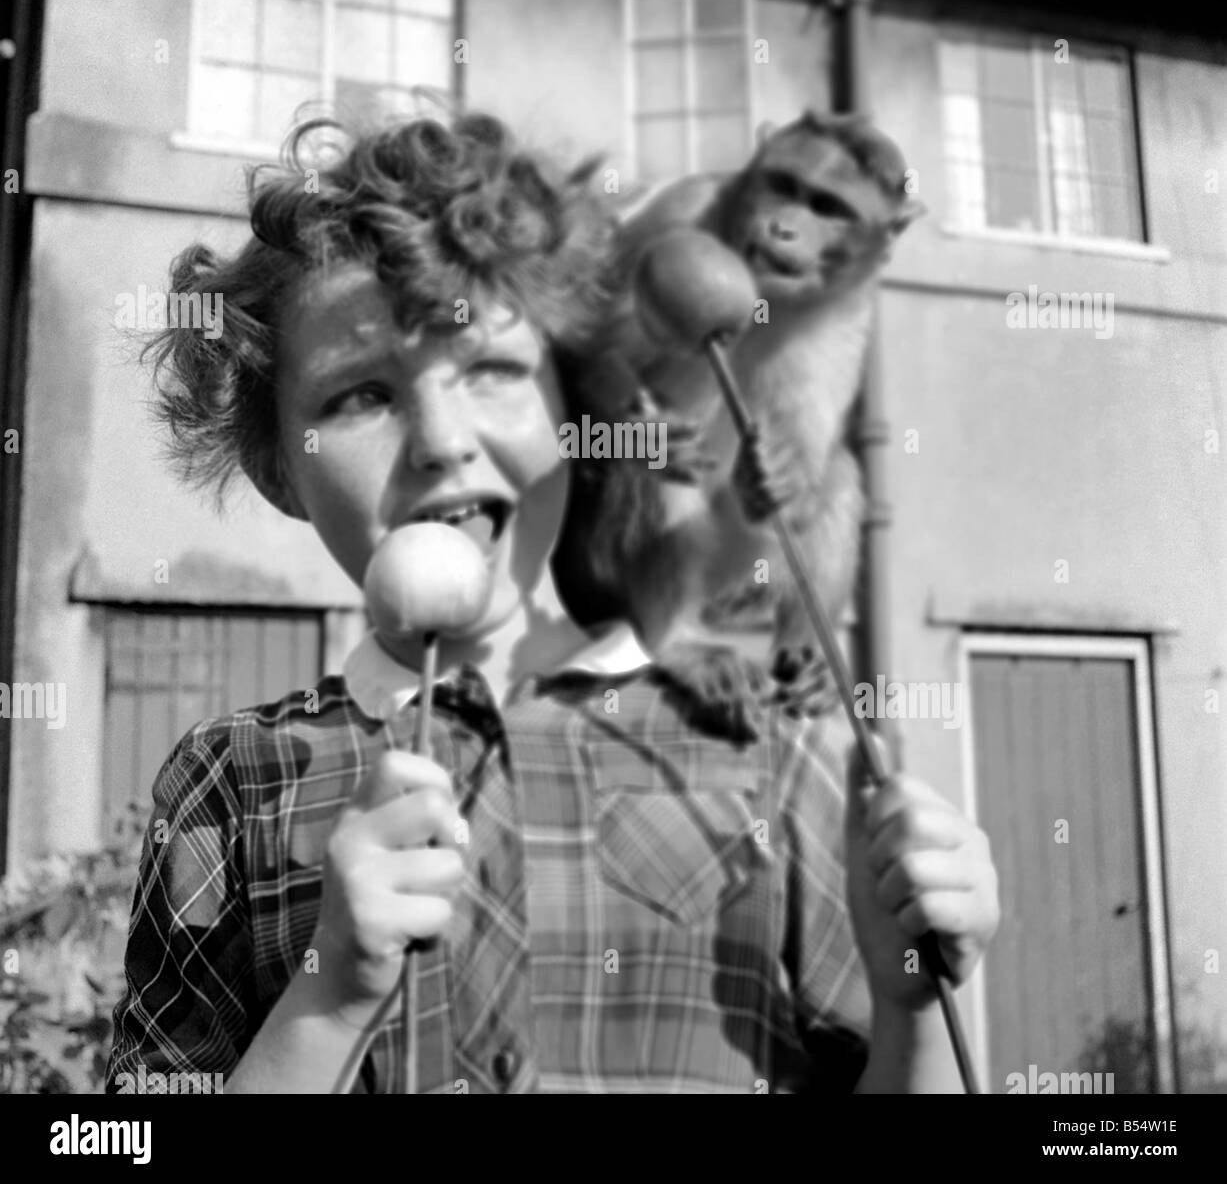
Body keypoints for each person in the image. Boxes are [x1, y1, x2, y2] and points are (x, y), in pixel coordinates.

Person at [106, 111, 998, 1094]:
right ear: (280, 469)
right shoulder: (231, 780)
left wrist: (912, 1001)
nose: (442, 440)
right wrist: (328, 997)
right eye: (361, 395)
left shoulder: (772, 753)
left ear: (573, 411)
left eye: (492, 371)